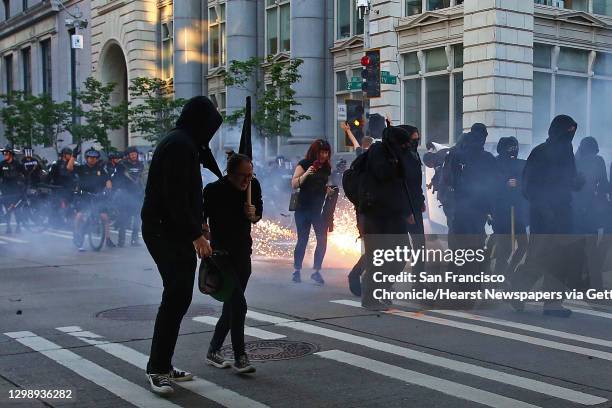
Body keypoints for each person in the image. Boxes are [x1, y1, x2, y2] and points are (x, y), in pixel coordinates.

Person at [141, 96, 219, 395]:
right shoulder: (178, 145)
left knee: (179, 295)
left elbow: (189, 192)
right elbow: (174, 195)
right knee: (176, 293)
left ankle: (163, 363)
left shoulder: (184, 143)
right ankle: (157, 367)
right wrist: (195, 234)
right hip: (164, 231)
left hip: (172, 229)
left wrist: (199, 223)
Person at [511, 115, 584, 317]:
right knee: (539, 257)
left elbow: (569, 181)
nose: (570, 136)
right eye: (568, 131)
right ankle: (516, 291)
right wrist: (544, 208)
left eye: (573, 131)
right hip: (543, 217)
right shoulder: (540, 152)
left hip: (562, 215)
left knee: (560, 260)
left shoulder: (567, 152)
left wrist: (578, 182)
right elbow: (527, 187)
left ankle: (553, 304)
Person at [204, 153, 263, 374]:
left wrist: (253, 214)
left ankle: (213, 350)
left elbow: (259, 214)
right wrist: (202, 232)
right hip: (221, 256)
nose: (246, 180)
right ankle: (240, 356)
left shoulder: (253, 187)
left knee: (231, 307)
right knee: (239, 304)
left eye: (250, 175)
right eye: (242, 176)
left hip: (242, 254)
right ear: (230, 173)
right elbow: (201, 216)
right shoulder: (213, 190)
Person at [358, 126, 416, 310]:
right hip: (375, 214)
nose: (407, 146)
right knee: (377, 258)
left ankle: (381, 288)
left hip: (394, 214)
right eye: (404, 143)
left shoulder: (399, 155)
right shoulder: (378, 152)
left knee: (401, 253)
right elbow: (385, 179)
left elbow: (402, 186)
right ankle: (370, 297)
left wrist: (407, 211)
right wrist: (397, 163)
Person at [291, 139, 332, 285]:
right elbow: (294, 183)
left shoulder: (326, 167)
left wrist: (328, 190)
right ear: (315, 152)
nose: (324, 155)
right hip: (302, 209)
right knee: (303, 239)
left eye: (326, 152)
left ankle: (316, 271)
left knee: (322, 240)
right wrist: (307, 173)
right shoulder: (304, 163)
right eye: (321, 152)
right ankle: (296, 270)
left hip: (317, 211)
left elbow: (323, 184)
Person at [572, 136, 608, 289]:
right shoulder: (598, 161)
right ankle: (594, 284)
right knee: (590, 249)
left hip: (577, 212)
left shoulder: (576, 161)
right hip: (589, 212)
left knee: (578, 248)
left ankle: (577, 282)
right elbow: (604, 185)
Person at [492, 137, 528, 276]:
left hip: (517, 212)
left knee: (523, 245)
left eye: (515, 148)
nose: (513, 152)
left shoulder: (521, 164)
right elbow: (489, 184)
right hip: (501, 213)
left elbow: (527, 180)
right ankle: (499, 275)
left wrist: (519, 182)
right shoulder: (494, 164)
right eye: (510, 149)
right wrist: (504, 184)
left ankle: (508, 271)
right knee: (505, 248)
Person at [73, 148, 114, 250]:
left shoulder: (101, 169)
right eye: (90, 158)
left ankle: (108, 239)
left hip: (97, 196)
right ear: (87, 158)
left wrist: (109, 190)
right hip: (84, 196)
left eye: (94, 158)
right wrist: (73, 155)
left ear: (97, 159)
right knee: (79, 215)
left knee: (104, 216)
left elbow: (108, 180)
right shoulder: (82, 168)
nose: (92, 160)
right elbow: (69, 168)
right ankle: (77, 233)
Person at [115, 146, 145, 247]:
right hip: (125, 195)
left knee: (137, 218)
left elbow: (143, 177)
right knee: (123, 218)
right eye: (131, 154)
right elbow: (117, 178)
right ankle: (121, 241)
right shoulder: (122, 165)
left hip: (137, 194)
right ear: (128, 155)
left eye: (135, 153)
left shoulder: (140, 165)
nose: (133, 155)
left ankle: (134, 240)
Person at [49, 147, 77, 227]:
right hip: (58, 188)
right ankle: (54, 222)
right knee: (56, 205)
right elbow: (51, 175)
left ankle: (69, 221)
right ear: (64, 155)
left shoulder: (72, 164)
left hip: (68, 188)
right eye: (69, 154)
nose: (70, 156)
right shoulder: (56, 163)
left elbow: (75, 175)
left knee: (71, 205)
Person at [0, 146, 25, 233]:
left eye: (6, 153)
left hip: (16, 190)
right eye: (4, 153)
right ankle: (8, 226)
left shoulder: (17, 164)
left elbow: (25, 174)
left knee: (16, 209)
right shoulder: (2, 164)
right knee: (7, 210)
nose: (4, 155)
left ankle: (18, 226)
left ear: (11, 154)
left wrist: (24, 184)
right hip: (5, 190)